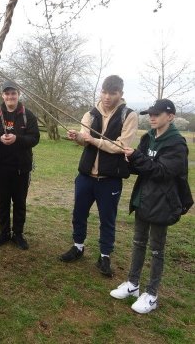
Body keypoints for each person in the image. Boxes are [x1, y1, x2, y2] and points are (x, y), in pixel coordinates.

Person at [110, 99, 192, 314]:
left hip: (162, 202)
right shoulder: (148, 138)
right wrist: (130, 160)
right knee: (138, 242)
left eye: (157, 114)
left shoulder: (176, 143)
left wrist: (137, 157)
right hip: (143, 198)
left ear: (170, 116)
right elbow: (142, 167)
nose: (152, 117)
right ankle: (133, 284)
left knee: (156, 250)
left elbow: (163, 172)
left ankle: (152, 294)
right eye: (150, 114)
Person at [59, 75, 139, 277]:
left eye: (113, 93)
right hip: (86, 177)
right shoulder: (90, 114)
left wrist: (92, 140)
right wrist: (77, 137)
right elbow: (84, 140)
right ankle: (78, 246)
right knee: (79, 213)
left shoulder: (128, 115)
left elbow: (120, 146)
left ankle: (105, 256)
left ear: (121, 94)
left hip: (110, 179)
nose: (107, 97)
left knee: (108, 219)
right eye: (104, 92)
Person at [0, 80, 40, 250]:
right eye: (7, 93)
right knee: (2, 201)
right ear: (2, 95)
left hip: (21, 167)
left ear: (18, 94)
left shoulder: (27, 115)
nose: (10, 96)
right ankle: (4, 233)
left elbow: (34, 138)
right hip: (0, 167)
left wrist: (17, 138)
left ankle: (18, 234)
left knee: (20, 202)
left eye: (13, 93)